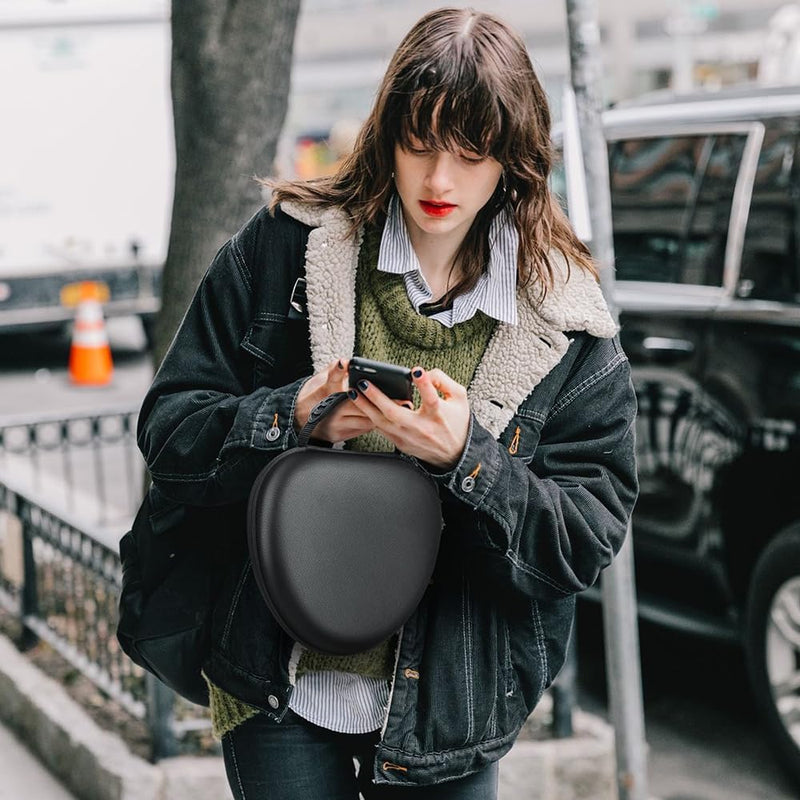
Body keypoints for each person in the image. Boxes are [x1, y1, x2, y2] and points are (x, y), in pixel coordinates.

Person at [137, 7, 638, 799]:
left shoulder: (565, 322)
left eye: (472, 153)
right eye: (421, 143)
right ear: (386, 133)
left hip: (452, 710)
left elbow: (583, 538)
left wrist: (465, 459)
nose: (441, 180)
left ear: (514, 159)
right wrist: (290, 415)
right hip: (279, 684)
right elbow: (169, 429)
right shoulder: (284, 250)